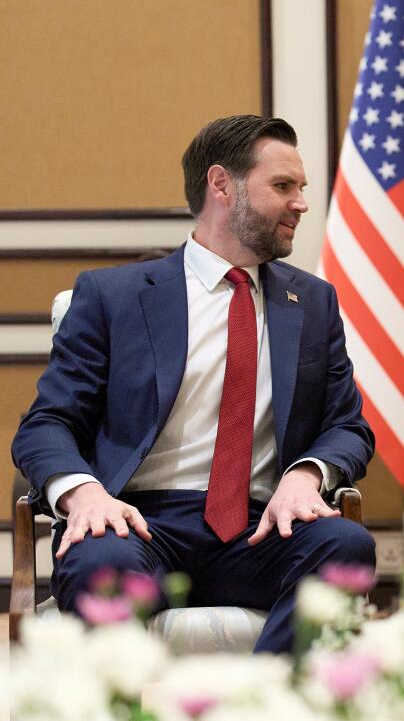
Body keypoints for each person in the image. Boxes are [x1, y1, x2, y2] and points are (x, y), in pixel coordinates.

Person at [11, 115, 375, 653]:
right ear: (221, 185)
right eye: (282, 186)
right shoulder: (113, 297)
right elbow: (47, 424)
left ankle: (266, 696)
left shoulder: (314, 302)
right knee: (98, 562)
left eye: (301, 188)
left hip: (261, 528)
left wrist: (306, 474)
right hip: (137, 523)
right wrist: (83, 494)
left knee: (345, 545)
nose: (301, 203)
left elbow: (347, 426)